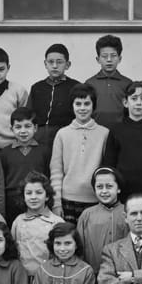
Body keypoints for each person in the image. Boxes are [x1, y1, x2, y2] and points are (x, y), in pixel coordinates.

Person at [50, 84, 109, 223]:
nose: (82, 108)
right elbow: (56, 171)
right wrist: (56, 203)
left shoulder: (104, 133)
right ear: (72, 106)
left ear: (94, 106)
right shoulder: (62, 134)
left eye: (87, 104)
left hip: (96, 200)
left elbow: (107, 170)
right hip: (67, 200)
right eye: (78, 104)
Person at [0, 107, 51, 225]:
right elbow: (1, 182)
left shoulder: (44, 151)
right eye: (18, 127)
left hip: (37, 199)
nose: (23, 131)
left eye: (27, 126)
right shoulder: (5, 153)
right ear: (11, 129)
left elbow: (48, 178)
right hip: (12, 202)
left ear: (35, 128)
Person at [76, 167, 128, 274]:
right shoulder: (87, 215)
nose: (104, 191)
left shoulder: (128, 213)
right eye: (99, 187)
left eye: (109, 186)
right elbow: (79, 247)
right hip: (93, 273)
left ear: (118, 189)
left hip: (122, 274)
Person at [27, 43, 80, 148]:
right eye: (51, 62)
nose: (55, 66)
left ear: (67, 64)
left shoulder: (76, 87)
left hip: (66, 139)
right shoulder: (37, 87)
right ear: (45, 64)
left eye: (59, 62)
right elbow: (28, 115)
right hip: (38, 140)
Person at [11, 171, 64, 276]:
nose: (33, 197)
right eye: (29, 193)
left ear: (47, 196)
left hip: (49, 276)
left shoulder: (57, 222)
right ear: (23, 196)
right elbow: (13, 250)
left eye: (39, 192)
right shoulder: (18, 221)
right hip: (23, 277)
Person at [84, 34, 132, 127]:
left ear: (120, 59)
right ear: (98, 59)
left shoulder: (127, 83)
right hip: (95, 131)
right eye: (104, 56)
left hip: (120, 131)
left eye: (113, 56)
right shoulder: (89, 83)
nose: (109, 60)